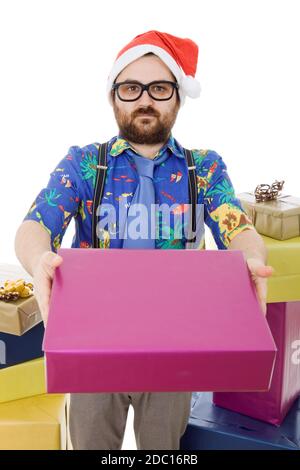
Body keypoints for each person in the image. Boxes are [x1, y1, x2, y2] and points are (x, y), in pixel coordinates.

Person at [14, 30, 274, 450]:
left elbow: (238, 229)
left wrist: (250, 261)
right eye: (131, 88)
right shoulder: (84, 164)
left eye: (159, 88)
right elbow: (34, 226)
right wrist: (39, 257)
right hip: (94, 344)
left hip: (175, 345)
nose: (144, 99)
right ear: (114, 97)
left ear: (177, 98)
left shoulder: (203, 169)